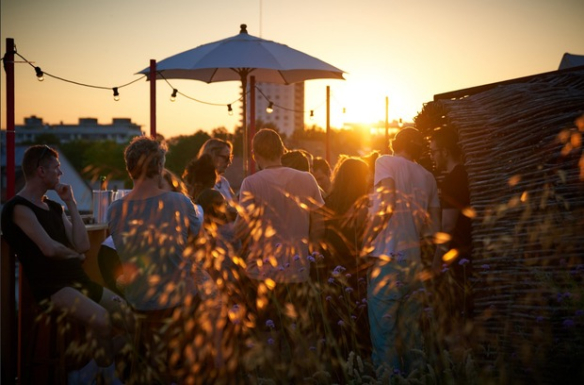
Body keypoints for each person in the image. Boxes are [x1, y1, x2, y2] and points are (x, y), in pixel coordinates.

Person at [1, 145, 132, 373]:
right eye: (57, 168)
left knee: (135, 321)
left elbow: (81, 244)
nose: (60, 174)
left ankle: (90, 371)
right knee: (102, 319)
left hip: (79, 282)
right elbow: (49, 248)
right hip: (53, 289)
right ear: (41, 171)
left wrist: (70, 203)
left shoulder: (54, 207)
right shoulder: (18, 208)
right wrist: (75, 256)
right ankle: (102, 375)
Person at [107, 137, 205, 381]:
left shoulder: (115, 209)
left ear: (129, 169)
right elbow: (199, 243)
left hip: (138, 301)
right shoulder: (180, 202)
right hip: (176, 304)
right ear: (160, 167)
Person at [234, 128, 325, 379]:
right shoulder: (307, 179)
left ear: (254, 155)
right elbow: (319, 222)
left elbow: (241, 229)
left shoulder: (251, 182)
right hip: (298, 270)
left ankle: (270, 378)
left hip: (262, 272)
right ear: (282, 150)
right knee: (297, 334)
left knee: (266, 335)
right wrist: (310, 251)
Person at [365, 128, 441, 374]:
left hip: (387, 260)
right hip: (414, 265)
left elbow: (387, 205)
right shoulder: (428, 176)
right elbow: (433, 230)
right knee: (411, 339)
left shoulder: (384, 162)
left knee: (384, 338)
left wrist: (366, 242)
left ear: (394, 143)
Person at [317, 156, 372, 380]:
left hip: (332, 276)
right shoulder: (364, 207)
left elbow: (320, 240)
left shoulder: (328, 204)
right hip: (359, 275)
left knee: (336, 328)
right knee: (359, 329)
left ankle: (338, 374)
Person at [429, 127, 474, 338]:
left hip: (456, 259)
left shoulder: (452, 180)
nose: (432, 156)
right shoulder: (466, 174)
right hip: (467, 253)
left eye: (434, 151)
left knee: (452, 317)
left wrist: (436, 262)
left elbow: (447, 227)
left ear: (445, 152)